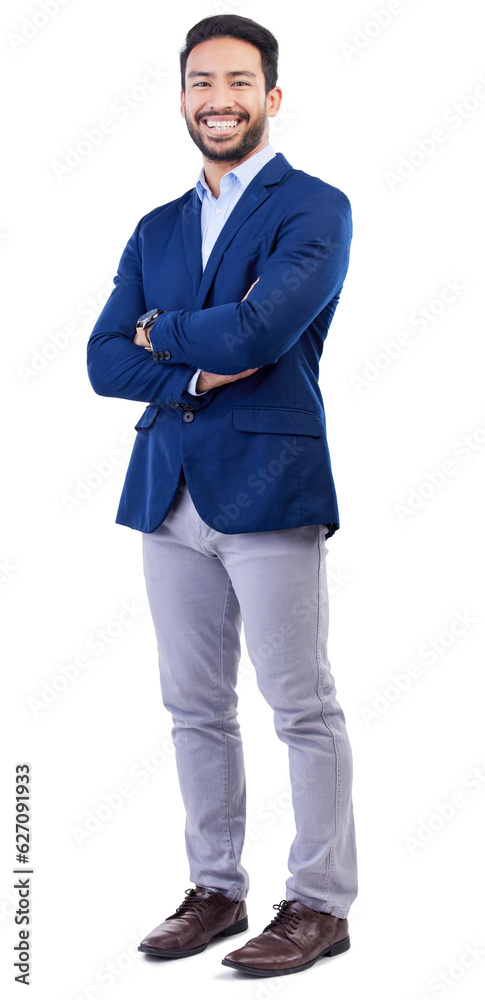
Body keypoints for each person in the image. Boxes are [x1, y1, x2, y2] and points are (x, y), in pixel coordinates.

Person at [87, 13, 358, 978]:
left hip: (271, 486)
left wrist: (164, 334)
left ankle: (320, 905)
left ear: (270, 98)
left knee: (299, 705)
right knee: (193, 707)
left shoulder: (313, 208)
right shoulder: (156, 225)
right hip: (168, 492)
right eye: (203, 83)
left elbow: (257, 335)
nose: (220, 100)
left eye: (239, 83)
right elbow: (101, 359)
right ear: (182, 97)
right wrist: (187, 366)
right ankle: (216, 890)